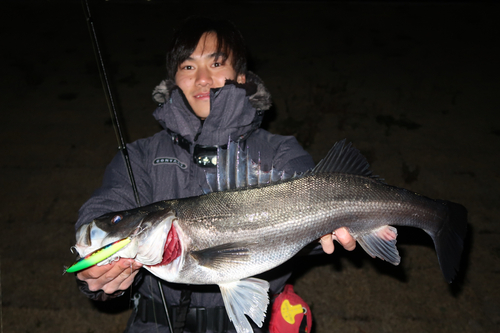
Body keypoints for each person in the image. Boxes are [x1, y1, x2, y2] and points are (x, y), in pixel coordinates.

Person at [75, 17, 356, 333]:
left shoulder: (280, 153)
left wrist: (332, 231)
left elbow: (317, 209)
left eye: (216, 64)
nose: (203, 79)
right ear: (173, 80)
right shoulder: (139, 157)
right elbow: (107, 206)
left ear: (241, 77)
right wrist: (100, 273)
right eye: (189, 67)